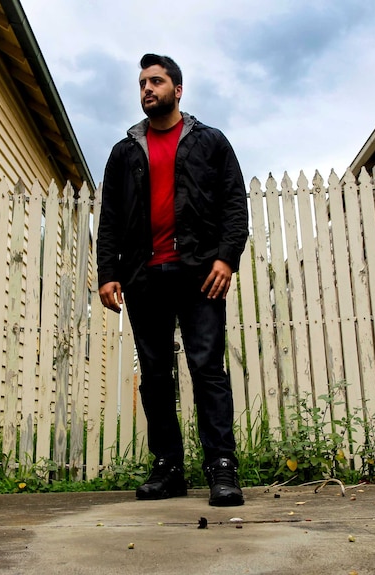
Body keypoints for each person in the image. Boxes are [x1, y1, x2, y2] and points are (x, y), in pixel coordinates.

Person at [96, 54, 249, 507]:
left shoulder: (210, 142)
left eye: (156, 81)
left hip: (200, 274)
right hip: (145, 276)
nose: (147, 88)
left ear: (177, 90)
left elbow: (234, 206)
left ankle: (222, 468)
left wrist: (226, 259)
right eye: (142, 82)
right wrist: (109, 273)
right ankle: (168, 468)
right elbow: (109, 218)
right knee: (157, 376)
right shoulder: (125, 152)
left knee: (207, 370)